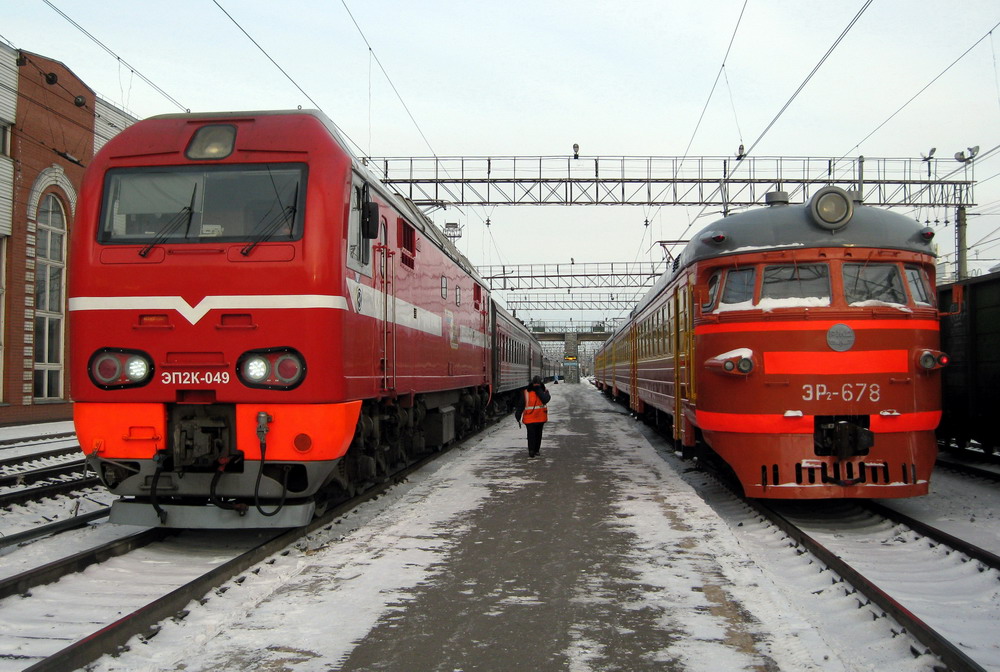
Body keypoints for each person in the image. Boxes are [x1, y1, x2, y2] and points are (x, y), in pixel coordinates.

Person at [514, 375, 550, 458]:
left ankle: (531, 450)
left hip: (529, 417)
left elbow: (521, 405)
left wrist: (518, 415)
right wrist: (547, 393)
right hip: (540, 417)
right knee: (538, 434)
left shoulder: (526, 392)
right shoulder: (543, 391)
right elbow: (546, 399)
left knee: (530, 434)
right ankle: (537, 450)